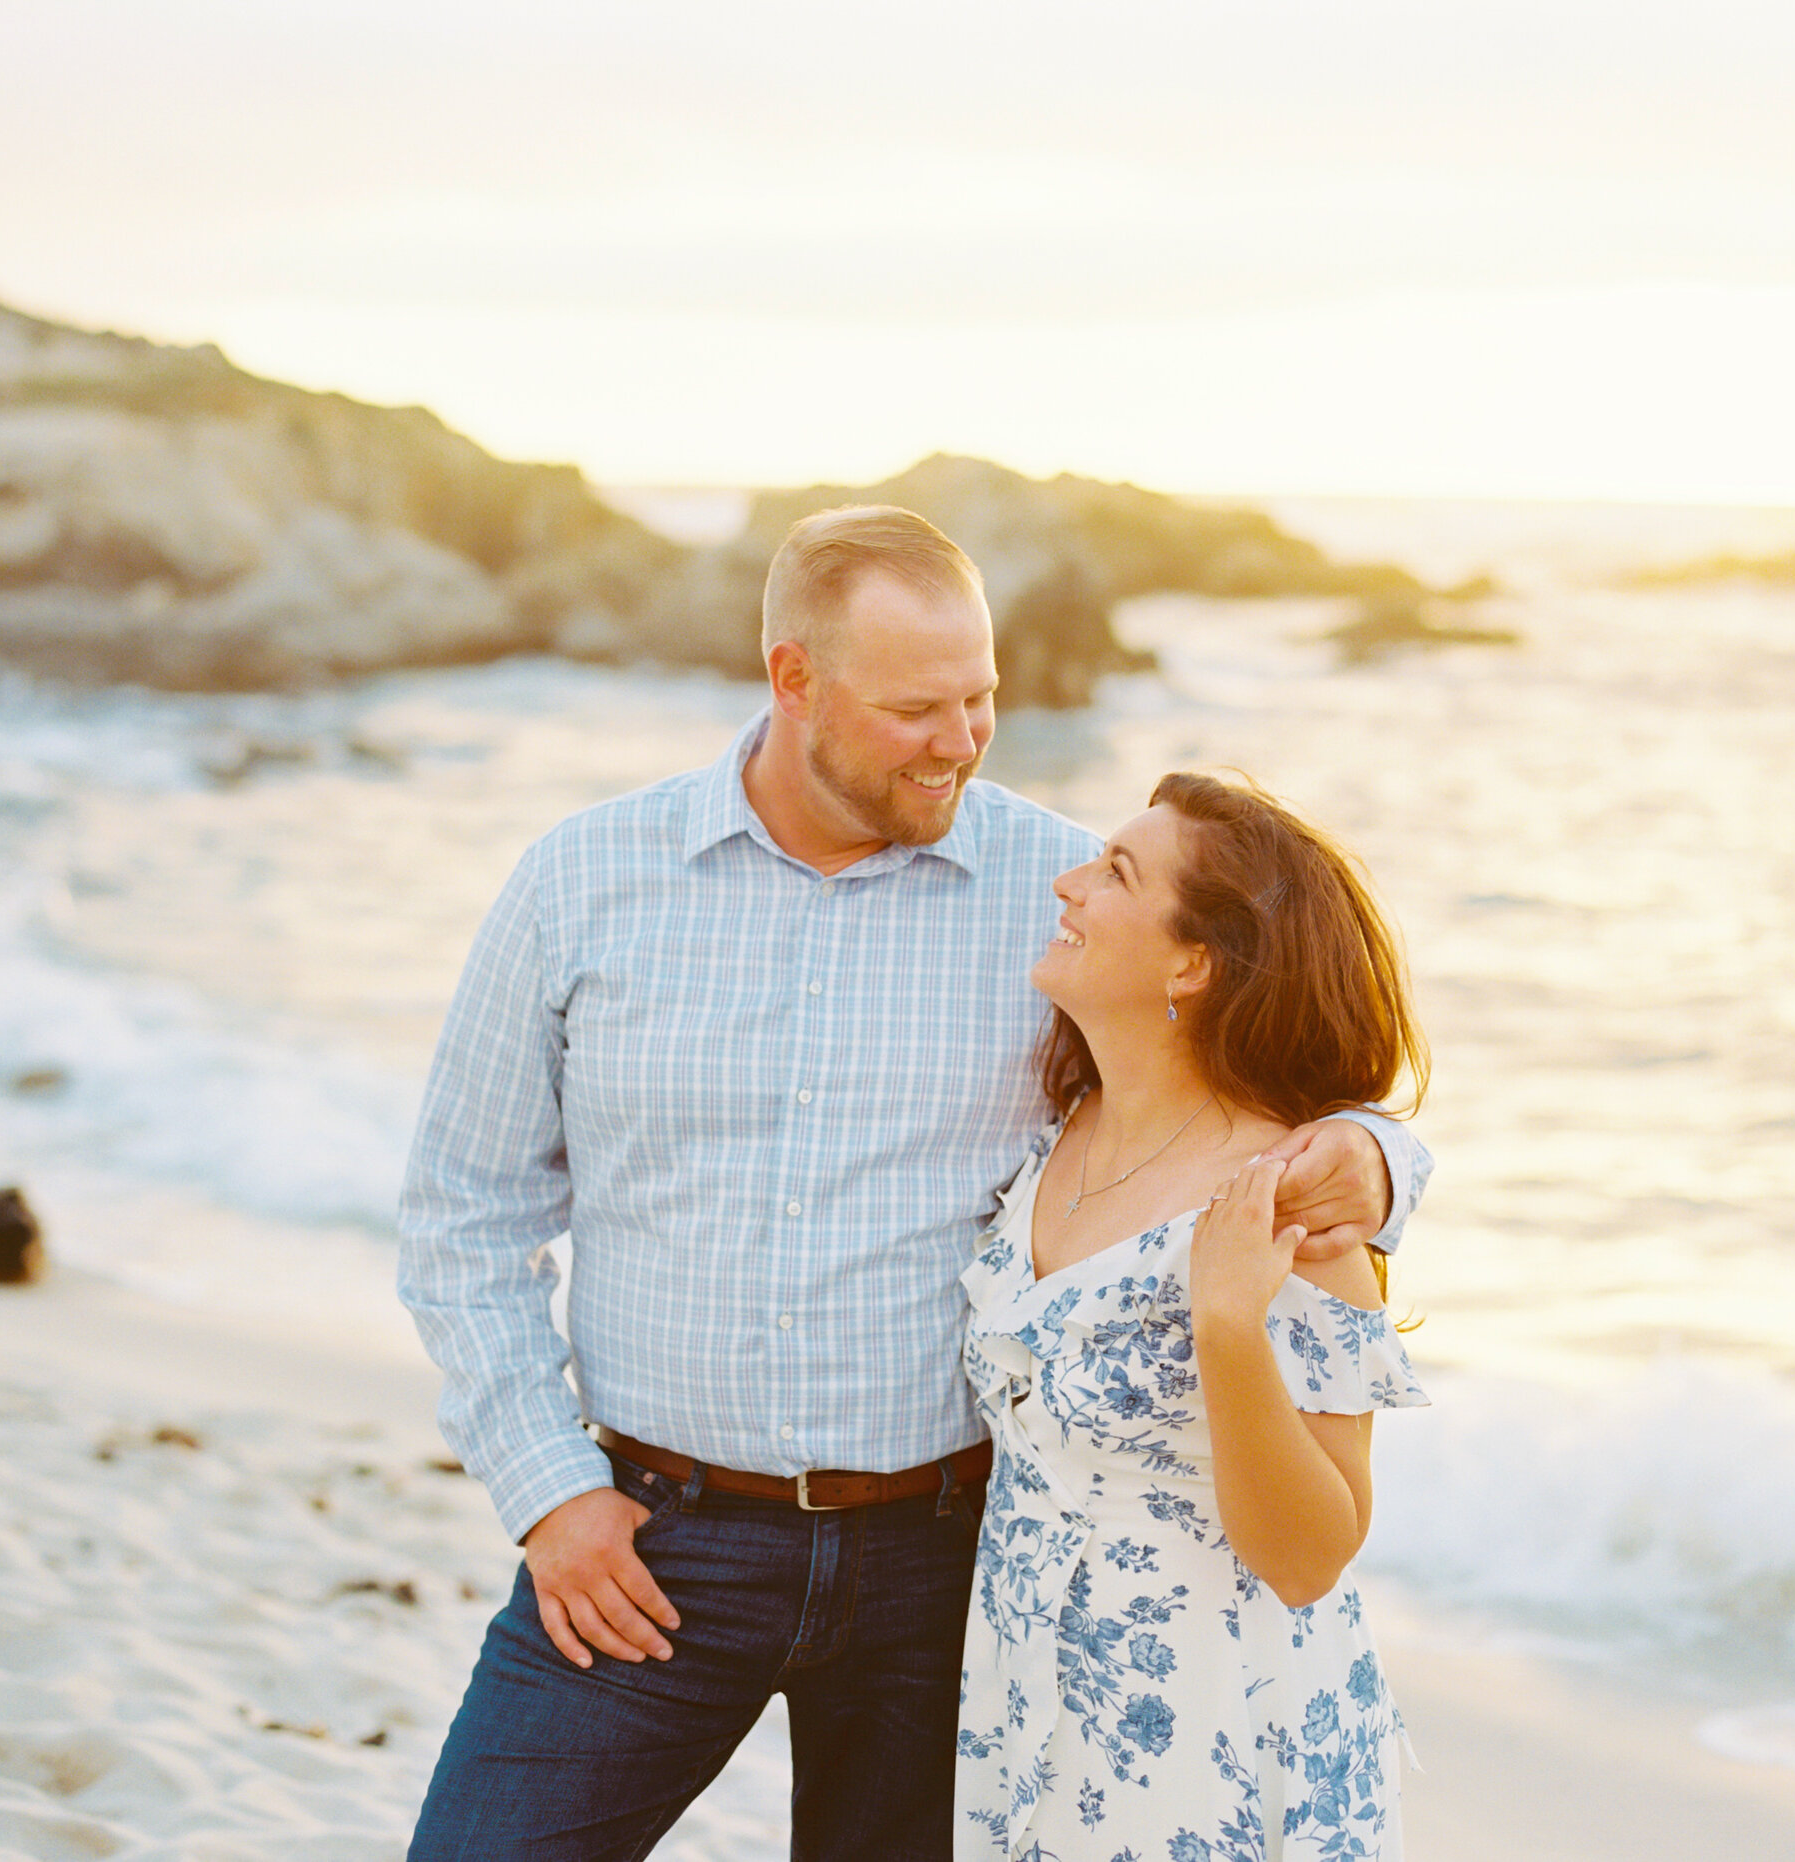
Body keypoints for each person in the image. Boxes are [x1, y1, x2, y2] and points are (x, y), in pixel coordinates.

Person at [397, 505, 1430, 1861]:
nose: (960, 738)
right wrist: (547, 1488)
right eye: (916, 707)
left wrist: (1377, 1156)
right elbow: (462, 1217)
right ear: (793, 680)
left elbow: (1253, 1047)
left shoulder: (1056, 894)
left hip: (949, 1568)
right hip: (651, 1539)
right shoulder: (582, 881)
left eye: (981, 696)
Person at [954, 772, 1428, 1861]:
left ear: (1194, 961)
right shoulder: (1059, 1135)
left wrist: (1227, 1328)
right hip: (1034, 1725)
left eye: (1114, 871)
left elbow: (1312, 1553)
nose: (1067, 883)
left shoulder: (1289, 1206)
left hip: (1217, 1745)